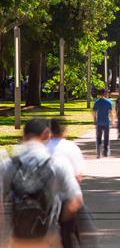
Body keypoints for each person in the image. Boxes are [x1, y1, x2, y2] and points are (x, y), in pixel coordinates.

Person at [1, 119, 83, 248]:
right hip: (48, 238)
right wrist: (63, 222)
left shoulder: (8, 164)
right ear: (46, 134)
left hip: (18, 239)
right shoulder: (57, 163)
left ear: (24, 136)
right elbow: (76, 200)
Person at [46, 119, 97, 248]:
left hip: (45, 200)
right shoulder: (71, 147)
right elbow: (78, 175)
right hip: (68, 199)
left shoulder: (42, 147)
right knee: (84, 233)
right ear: (64, 131)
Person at [93, 89, 113, 158]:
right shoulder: (108, 102)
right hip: (106, 122)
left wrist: (94, 120)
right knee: (106, 138)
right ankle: (105, 152)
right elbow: (111, 113)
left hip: (99, 122)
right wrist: (112, 120)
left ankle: (98, 153)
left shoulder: (97, 102)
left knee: (98, 138)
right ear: (104, 93)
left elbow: (94, 112)